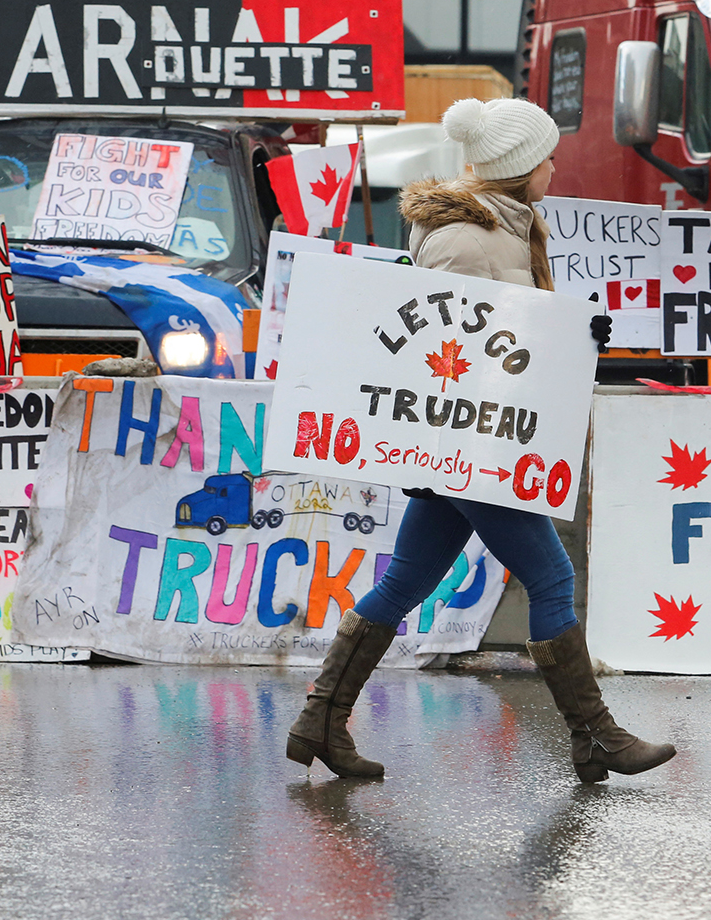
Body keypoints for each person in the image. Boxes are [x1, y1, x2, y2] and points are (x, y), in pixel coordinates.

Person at [286, 96, 677, 785]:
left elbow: (511, 339)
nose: (556, 167)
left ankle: (320, 720)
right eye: (548, 157)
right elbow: (439, 348)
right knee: (551, 576)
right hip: (473, 447)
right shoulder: (468, 240)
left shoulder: (505, 229)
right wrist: (423, 446)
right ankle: (595, 738)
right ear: (523, 168)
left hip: (478, 442)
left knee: (407, 580)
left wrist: (576, 341)